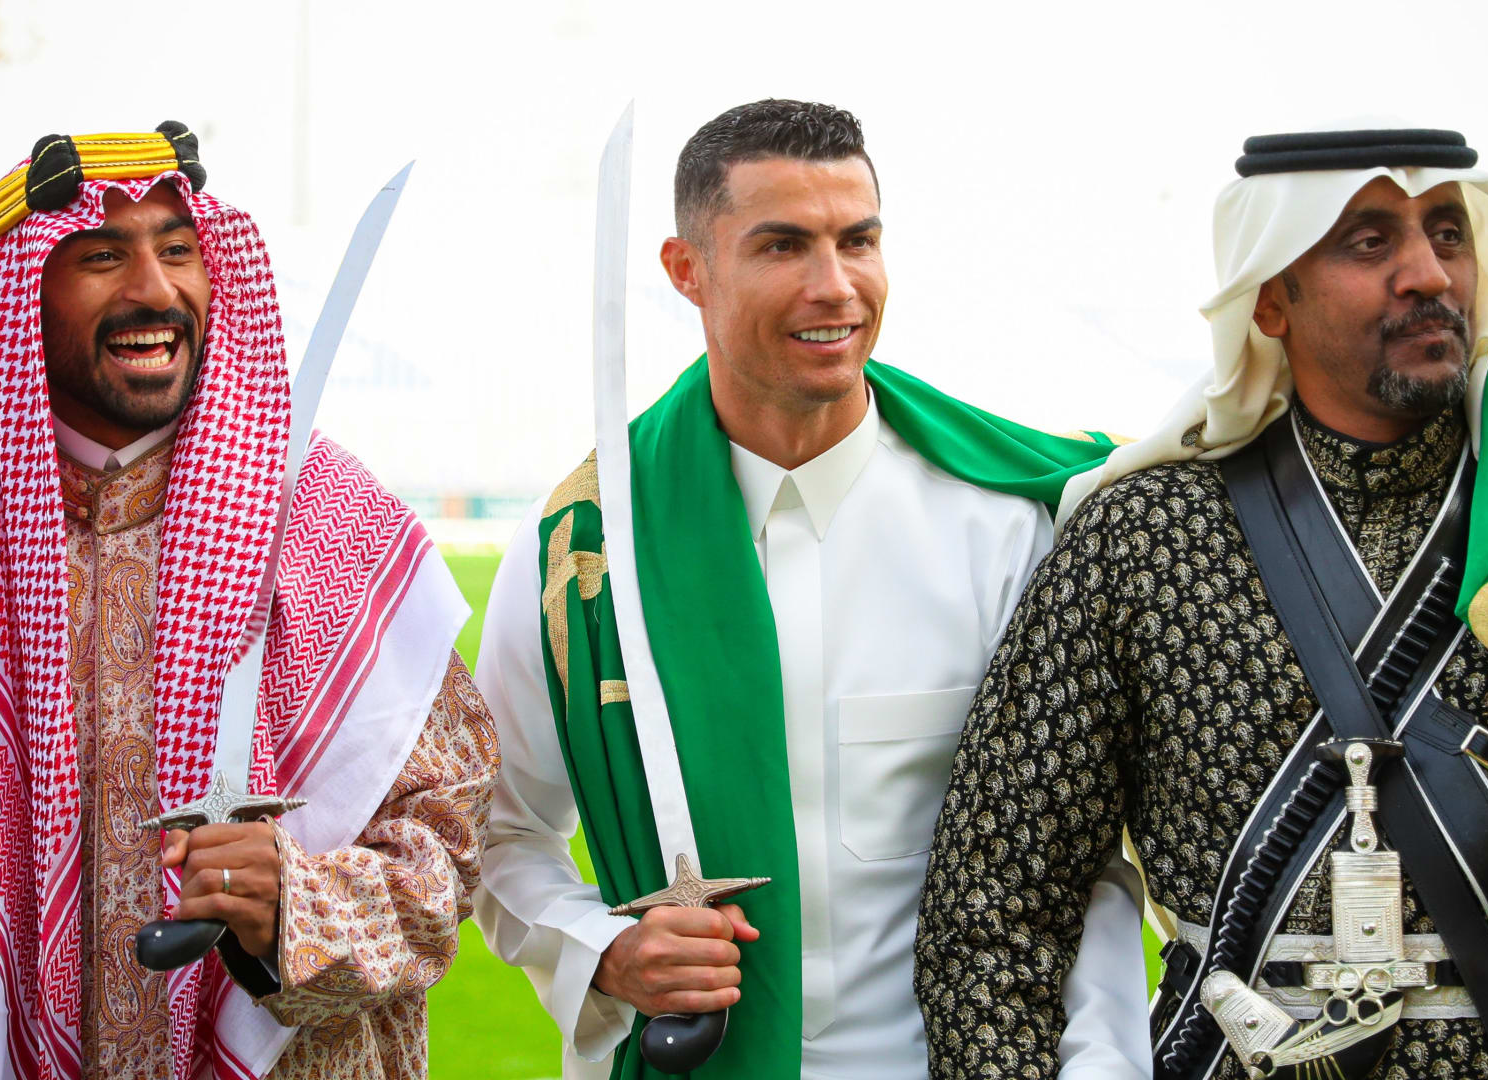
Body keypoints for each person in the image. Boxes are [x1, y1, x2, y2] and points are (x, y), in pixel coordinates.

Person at [916, 126, 1488, 1080]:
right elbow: (994, 906)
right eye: (1370, 241)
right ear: (1270, 298)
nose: (1429, 274)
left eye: (1449, 234)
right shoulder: (1138, 538)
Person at [473, 99, 1148, 1079]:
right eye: (783, 246)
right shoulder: (583, 554)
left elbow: (1081, 863)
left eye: (858, 241)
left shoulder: (1011, 531)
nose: (835, 286)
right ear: (686, 270)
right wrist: (604, 952)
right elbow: (500, 835)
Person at [0, 124, 497, 1080]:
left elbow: (449, 844)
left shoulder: (330, 523)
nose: (155, 290)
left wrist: (300, 907)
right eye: (103, 256)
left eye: (179, 250)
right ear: (19, 297)